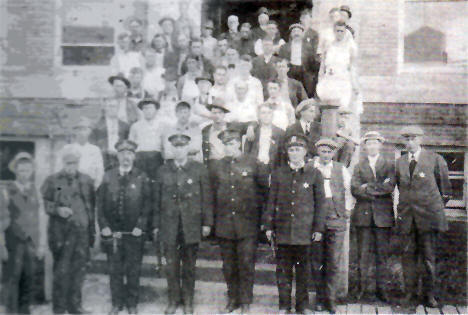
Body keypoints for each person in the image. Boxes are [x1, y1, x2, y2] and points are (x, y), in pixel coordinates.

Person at [263, 134, 326, 314]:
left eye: (298, 149)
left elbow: (321, 204)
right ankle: (284, 305)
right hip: (283, 231)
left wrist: (318, 229)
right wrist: (268, 226)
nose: (295, 153)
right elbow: (271, 201)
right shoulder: (278, 174)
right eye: (291, 150)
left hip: (304, 233)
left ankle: (302, 306)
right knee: (283, 272)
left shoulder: (314, 174)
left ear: (305, 152)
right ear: (287, 152)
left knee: (303, 272)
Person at [154, 134, 214, 315]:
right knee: (171, 266)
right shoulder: (162, 171)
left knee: (189, 266)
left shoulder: (199, 169)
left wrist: (207, 223)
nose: (179, 150)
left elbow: (207, 198)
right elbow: (156, 201)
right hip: (169, 225)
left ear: (187, 148)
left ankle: (188, 301)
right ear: (171, 149)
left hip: (191, 225)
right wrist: (156, 225)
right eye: (175, 147)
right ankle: (173, 300)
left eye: (182, 146)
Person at [395, 126, 451, 308]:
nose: (409, 142)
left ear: (420, 139)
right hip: (408, 218)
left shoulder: (434, 159)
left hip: (428, 218)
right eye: (406, 139)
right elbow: (401, 188)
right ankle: (409, 295)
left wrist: (433, 211)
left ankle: (429, 296)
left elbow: (445, 192)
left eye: (413, 139)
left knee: (428, 258)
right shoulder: (401, 162)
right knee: (408, 257)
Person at [97, 140, 152, 315]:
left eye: (129, 154)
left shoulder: (142, 177)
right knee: (115, 270)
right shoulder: (108, 176)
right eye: (122, 154)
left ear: (134, 157)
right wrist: (104, 226)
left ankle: (132, 304)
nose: (126, 158)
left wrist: (140, 226)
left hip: (134, 233)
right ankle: (116, 303)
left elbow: (147, 206)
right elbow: (100, 205)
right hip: (113, 234)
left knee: (133, 270)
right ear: (117, 156)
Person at [210, 126, 262, 313]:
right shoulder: (217, 166)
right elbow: (211, 195)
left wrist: (261, 220)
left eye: (232, 143)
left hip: (247, 225)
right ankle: (233, 299)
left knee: (246, 264)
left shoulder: (253, 163)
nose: (229, 147)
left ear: (239, 143)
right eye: (226, 144)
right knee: (229, 266)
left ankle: (246, 300)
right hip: (225, 224)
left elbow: (263, 192)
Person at [41, 146, 95, 314]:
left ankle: (75, 306)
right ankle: (59, 308)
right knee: (61, 271)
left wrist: (90, 229)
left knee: (78, 271)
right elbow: (45, 203)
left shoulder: (86, 180)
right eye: (68, 163)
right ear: (63, 163)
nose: (71, 167)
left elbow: (91, 206)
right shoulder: (52, 181)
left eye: (74, 163)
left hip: (82, 234)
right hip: (61, 234)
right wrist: (58, 210)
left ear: (78, 163)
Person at [309, 138, 354, 313]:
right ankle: (319, 298)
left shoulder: (341, 169)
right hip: (315, 220)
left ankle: (331, 299)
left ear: (334, 153)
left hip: (336, 218)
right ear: (317, 152)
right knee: (317, 261)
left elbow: (349, 190)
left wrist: (347, 209)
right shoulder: (310, 168)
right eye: (323, 151)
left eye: (329, 152)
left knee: (333, 261)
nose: (326, 155)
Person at [351, 131, 395, 302]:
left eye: (375, 143)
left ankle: (381, 290)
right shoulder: (359, 166)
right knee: (363, 254)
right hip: (363, 216)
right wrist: (377, 188)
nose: (372, 146)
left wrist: (367, 187)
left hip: (383, 217)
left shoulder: (389, 165)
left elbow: (389, 186)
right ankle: (362, 289)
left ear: (380, 145)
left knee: (382, 255)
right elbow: (355, 188)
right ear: (365, 146)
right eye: (368, 143)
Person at [4, 153, 46, 314]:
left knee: (29, 277)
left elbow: (41, 216)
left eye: (27, 170)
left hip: (31, 241)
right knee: (12, 277)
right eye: (21, 170)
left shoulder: (35, 190)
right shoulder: (7, 190)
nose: (24, 174)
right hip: (13, 240)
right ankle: (11, 310)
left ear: (32, 171)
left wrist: (41, 243)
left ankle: (24, 310)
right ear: (16, 171)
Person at [244, 103, 284, 208]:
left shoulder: (280, 133)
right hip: (254, 168)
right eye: (263, 113)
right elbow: (246, 152)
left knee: (269, 201)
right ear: (258, 116)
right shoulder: (253, 131)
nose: (266, 115)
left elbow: (282, 155)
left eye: (269, 113)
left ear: (273, 115)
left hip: (271, 170)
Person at [316, 21, 359, 110]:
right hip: (330, 80)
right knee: (329, 108)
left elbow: (352, 68)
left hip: (343, 81)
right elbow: (322, 66)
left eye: (342, 31)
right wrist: (320, 80)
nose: (339, 33)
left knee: (342, 108)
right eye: (337, 31)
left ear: (345, 32)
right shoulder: (328, 46)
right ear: (334, 32)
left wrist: (355, 85)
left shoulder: (350, 48)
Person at [57, 117, 104, 189]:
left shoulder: (95, 150)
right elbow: (59, 169)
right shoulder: (67, 149)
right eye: (79, 130)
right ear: (75, 132)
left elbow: (100, 172)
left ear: (89, 132)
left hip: (89, 187)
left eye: (84, 130)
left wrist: (95, 187)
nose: (81, 133)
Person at [278, 23, 320, 98]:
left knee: (307, 93)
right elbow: (281, 62)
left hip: (305, 72)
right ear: (291, 34)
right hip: (291, 72)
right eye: (294, 32)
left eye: (298, 32)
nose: (296, 34)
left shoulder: (309, 47)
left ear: (303, 34)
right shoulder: (284, 47)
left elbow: (313, 63)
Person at [129, 99, 164, 181]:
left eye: (150, 108)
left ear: (156, 110)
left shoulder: (162, 126)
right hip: (140, 159)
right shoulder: (135, 126)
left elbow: (164, 145)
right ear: (142, 110)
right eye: (145, 108)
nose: (148, 111)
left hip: (156, 158)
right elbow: (131, 146)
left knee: (155, 183)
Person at [90, 99, 130, 171]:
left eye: (114, 106)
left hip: (120, 160)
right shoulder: (96, 126)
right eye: (109, 106)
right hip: (102, 159)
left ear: (118, 108)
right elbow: (92, 145)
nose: (111, 109)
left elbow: (128, 144)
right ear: (105, 108)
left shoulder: (125, 126)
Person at [283, 98, 321, 162]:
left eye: (314, 112)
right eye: (311, 111)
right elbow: (287, 149)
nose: (314, 115)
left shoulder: (318, 127)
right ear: (302, 112)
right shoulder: (291, 128)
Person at [201, 99, 231, 166]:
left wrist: (251, 127)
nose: (217, 116)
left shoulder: (231, 127)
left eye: (220, 113)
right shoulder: (206, 130)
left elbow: (249, 124)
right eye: (214, 113)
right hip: (212, 166)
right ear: (211, 114)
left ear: (224, 114)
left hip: (228, 166)